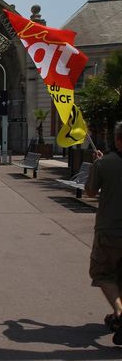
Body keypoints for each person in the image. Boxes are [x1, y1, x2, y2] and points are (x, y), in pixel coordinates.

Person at [85, 121, 122, 345]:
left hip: (110, 231)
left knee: (103, 274)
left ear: (118, 139)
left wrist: (96, 166)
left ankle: (119, 312)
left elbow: (90, 192)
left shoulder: (106, 164)